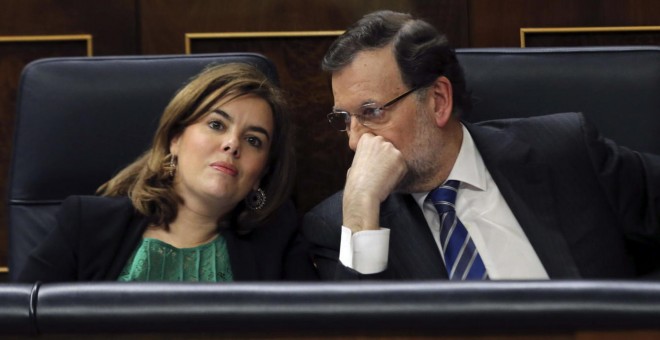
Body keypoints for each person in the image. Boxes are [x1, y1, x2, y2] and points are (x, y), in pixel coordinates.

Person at [302, 10, 660, 280]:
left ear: (438, 100)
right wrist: (362, 210)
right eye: (345, 119)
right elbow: (360, 330)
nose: (355, 140)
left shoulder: (566, 152)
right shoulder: (340, 226)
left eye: (372, 112)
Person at [18, 63, 317, 282]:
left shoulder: (279, 241)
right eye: (216, 124)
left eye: (254, 140)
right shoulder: (87, 225)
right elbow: (19, 322)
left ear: (262, 171)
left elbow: (321, 330)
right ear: (174, 138)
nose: (232, 144)